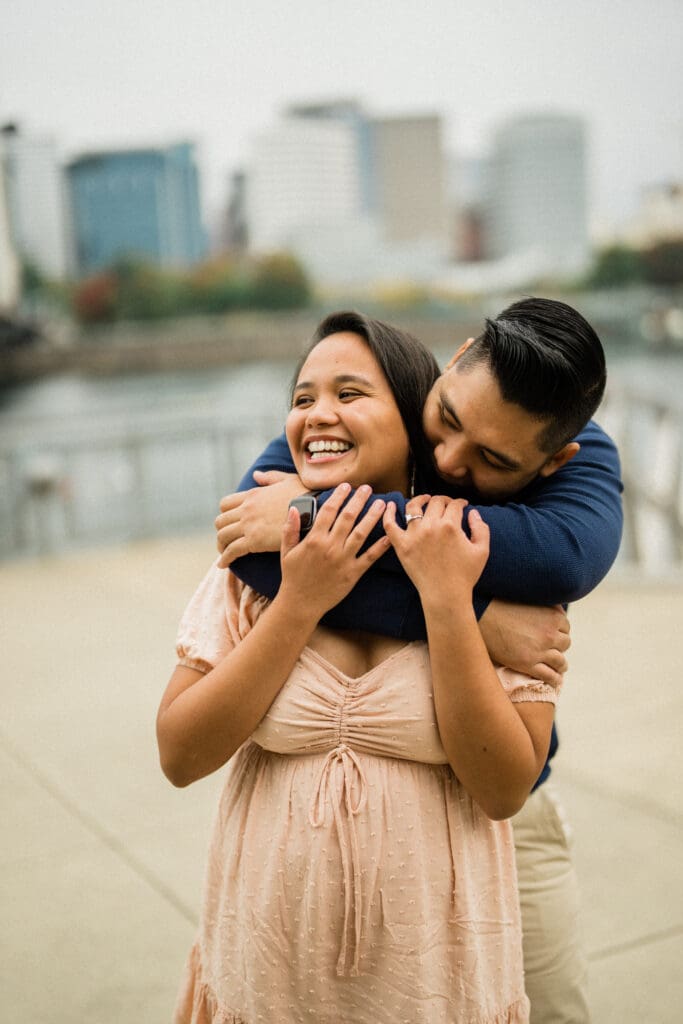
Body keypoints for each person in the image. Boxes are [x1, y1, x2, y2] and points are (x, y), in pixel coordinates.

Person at [214, 298, 624, 1023]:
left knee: (554, 1010)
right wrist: (475, 614)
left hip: (500, 814)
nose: (447, 461)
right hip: (322, 852)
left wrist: (318, 519)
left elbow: (566, 558)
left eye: (493, 461)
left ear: (554, 460)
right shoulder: (383, 404)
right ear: (456, 357)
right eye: (448, 420)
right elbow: (252, 548)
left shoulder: (584, 453)